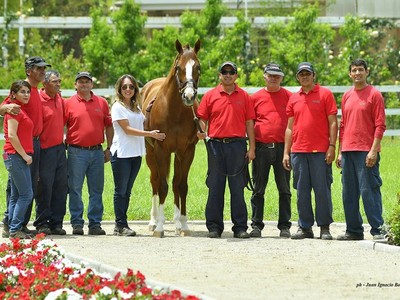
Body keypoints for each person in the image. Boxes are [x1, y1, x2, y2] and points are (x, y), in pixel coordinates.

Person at [197, 61, 255, 239]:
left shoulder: (244, 96)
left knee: (237, 188)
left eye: (231, 72)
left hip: (237, 146)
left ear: (236, 75)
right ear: (219, 75)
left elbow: (249, 123)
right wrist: (201, 130)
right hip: (215, 145)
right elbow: (202, 118)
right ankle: (214, 226)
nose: (228, 75)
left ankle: (240, 227)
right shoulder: (209, 96)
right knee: (215, 187)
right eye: (224, 72)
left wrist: (252, 147)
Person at [282, 62, 337, 240]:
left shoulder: (325, 94)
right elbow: (289, 127)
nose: (305, 76)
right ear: (297, 77)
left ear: (314, 75)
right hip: (298, 151)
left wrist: (332, 146)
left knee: (322, 190)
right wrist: (286, 152)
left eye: (308, 73)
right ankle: (305, 227)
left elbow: (333, 122)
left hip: (320, 151)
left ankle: (324, 227)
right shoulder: (294, 98)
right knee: (302, 191)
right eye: (301, 74)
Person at [336, 59, 386, 241]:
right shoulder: (346, 96)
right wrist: (340, 152)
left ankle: (378, 230)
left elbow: (380, 125)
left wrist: (374, 150)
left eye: (360, 70)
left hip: (366, 151)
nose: (357, 73)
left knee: (369, 191)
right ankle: (354, 230)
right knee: (349, 193)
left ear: (367, 72)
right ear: (350, 74)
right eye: (354, 70)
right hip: (348, 151)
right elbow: (343, 125)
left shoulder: (375, 95)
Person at [0, 56, 50, 237]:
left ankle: (20, 224)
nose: (43, 71)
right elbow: (5, 107)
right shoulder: (22, 89)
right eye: (39, 68)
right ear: (29, 70)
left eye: (44, 68)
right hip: (19, 147)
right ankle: (10, 224)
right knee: (20, 189)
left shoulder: (35, 91)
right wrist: (5, 108)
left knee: (26, 186)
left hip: (34, 143)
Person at [110, 74, 165, 237]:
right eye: (125, 87)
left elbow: (142, 122)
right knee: (121, 191)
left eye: (131, 87)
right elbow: (127, 130)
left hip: (135, 154)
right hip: (121, 154)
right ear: (120, 89)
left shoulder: (137, 108)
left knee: (127, 190)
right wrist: (150, 134)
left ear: (135, 89)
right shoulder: (117, 107)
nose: (128, 90)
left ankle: (121, 224)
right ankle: (120, 224)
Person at [64, 71, 113, 235]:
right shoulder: (68, 103)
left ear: (92, 84)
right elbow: (60, 125)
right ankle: (77, 223)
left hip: (97, 152)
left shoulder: (102, 102)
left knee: (96, 190)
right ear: (75, 85)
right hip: (76, 152)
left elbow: (109, 126)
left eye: (87, 81)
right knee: (75, 189)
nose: (84, 84)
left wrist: (109, 148)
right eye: (81, 82)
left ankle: (95, 224)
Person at [249, 63, 292, 238]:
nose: (273, 78)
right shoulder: (255, 98)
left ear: (281, 77)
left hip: (283, 148)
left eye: (277, 76)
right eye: (270, 75)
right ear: (264, 76)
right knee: (258, 189)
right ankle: (256, 225)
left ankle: (284, 226)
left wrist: (289, 150)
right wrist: (251, 148)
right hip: (261, 148)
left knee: (284, 189)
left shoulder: (290, 97)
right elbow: (250, 124)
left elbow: (293, 123)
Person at [34, 70, 68, 235]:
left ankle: (56, 223)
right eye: (55, 81)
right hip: (44, 150)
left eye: (59, 81)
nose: (58, 84)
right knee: (44, 188)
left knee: (61, 187)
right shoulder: (38, 99)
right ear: (45, 83)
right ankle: (42, 223)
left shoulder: (60, 99)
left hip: (60, 149)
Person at [3, 80, 34, 239]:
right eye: (22, 92)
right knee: (26, 195)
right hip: (16, 156)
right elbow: (12, 136)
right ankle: (15, 229)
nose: (26, 94)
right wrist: (25, 155)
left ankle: (11, 227)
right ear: (13, 94)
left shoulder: (19, 109)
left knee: (16, 195)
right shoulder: (14, 110)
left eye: (28, 92)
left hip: (14, 156)